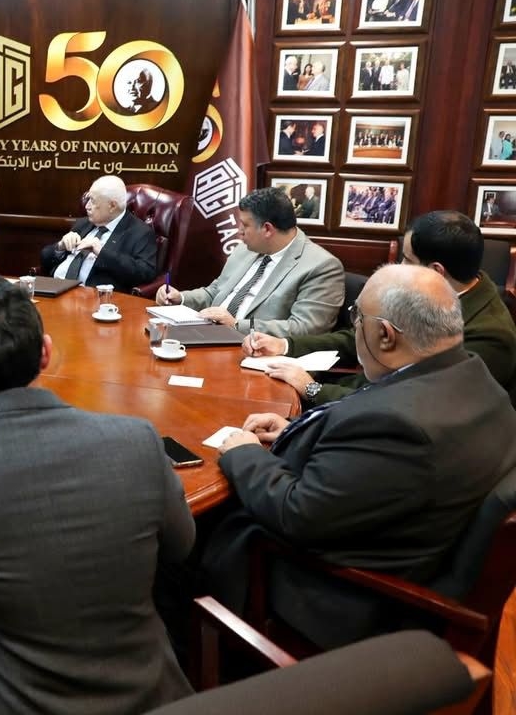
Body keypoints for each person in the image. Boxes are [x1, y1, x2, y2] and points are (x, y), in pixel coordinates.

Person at [0, 274, 194, 714]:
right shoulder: (138, 440)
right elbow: (181, 546)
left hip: (8, 700)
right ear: (46, 353)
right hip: (149, 694)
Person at [204, 264, 516, 650]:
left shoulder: (397, 425)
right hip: (396, 539)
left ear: (385, 335)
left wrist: (245, 454)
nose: (354, 326)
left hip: (337, 596)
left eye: (356, 317)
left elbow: (296, 514)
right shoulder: (477, 380)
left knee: (179, 547)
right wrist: (295, 430)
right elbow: (378, 473)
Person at [245, 211, 516, 407]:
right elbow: (362, 337)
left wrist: (313, 389)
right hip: (360, 398)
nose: (398, 267)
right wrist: (285, 345)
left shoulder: (490, 336)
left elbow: (413, 401)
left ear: (436, 271)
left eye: (406, 260)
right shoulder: (426, 294)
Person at [155, 187, 343, 337]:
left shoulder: (321, 266)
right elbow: (216, 292)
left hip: (259, 352)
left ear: (267, 229)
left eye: (245, 225)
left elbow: (305, 328)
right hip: (210, 335)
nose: (239, 231)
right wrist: (181, 298)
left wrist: (237, 325)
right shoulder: (245, 249)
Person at [39, 175, 156, 290]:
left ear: (112, 206)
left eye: (93, 201)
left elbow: (145, 273)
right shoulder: (83, 223)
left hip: (90, 296)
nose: (87, 206)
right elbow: (44, 259)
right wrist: (60, 247)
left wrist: (102, 253)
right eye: (88, 199)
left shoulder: (140, 233)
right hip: (54, 288)